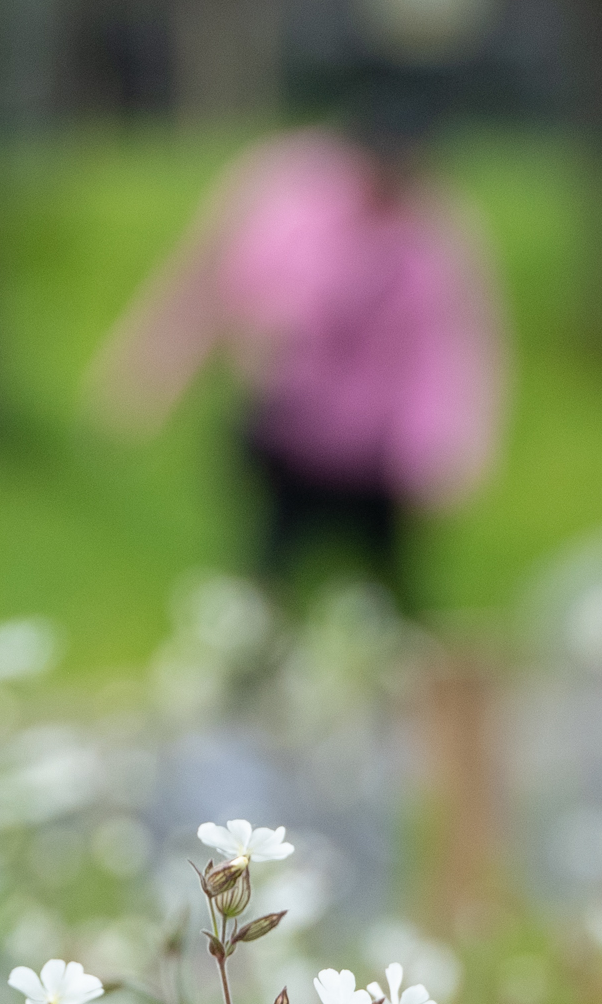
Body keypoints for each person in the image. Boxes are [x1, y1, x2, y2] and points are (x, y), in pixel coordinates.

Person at [86, 77, 506, 618]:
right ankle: (255, 663)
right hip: (288, 427)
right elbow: (206, 284)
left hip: (374, 450)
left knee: (394, 588)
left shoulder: (435, 232)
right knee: (267, 572)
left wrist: (444, 448)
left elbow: (453, 351)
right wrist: (147, 376)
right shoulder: (288, 196)